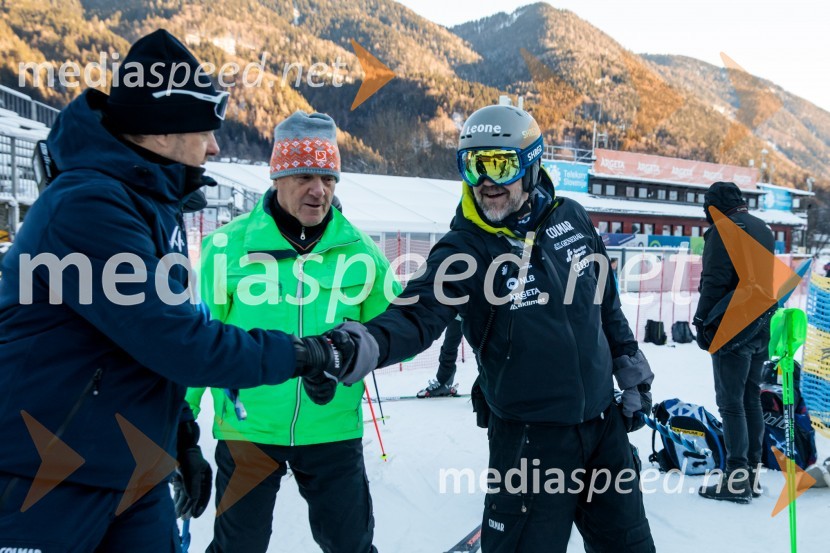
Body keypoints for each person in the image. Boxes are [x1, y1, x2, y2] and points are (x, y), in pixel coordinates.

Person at [0, 30, 366, 551]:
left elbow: (141, 349)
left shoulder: (150, 202)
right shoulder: (87, 208)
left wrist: (178, 436)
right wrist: (307, 353)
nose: (216, 146)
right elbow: (178, 340)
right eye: (205, 130)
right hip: (51, 475)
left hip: (132, 467)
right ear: (163, 129)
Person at [318, 104, 656, 552]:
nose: (486, 182)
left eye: (500, 164)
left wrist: (630, 370)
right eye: (472, 166)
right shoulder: (466, 248)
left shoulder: (571, 218)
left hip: (603, 431)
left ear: (532, 163)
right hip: (529, 444)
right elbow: (418, 312)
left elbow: (605, 303)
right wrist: (359, 344)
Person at [187, 111, 397, 553]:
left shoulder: (361, 252)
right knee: (235, 549)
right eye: (304, 176)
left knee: (351, 546)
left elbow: (397, 336)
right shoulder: (228, 247)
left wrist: (353, 348)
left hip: (332, 430)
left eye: (328, 177)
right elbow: (195, 343)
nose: (317, 190)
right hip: (249, 430)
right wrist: (179, 422)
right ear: (278, 176)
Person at [693, 181, 774, 503]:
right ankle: (751, 474)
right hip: (762, 323)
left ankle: (736, 478)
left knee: (730, 402)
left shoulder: (722, 230)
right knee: (750, 398)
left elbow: (713, 281)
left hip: (734, 325)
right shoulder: (762, 228)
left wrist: (701, 321)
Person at [416, 316, 463, 398]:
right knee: (448, 347)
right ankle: (443, 383)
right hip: (458, 316)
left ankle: (485, 387)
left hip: (478, 315)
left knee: (482, 349)